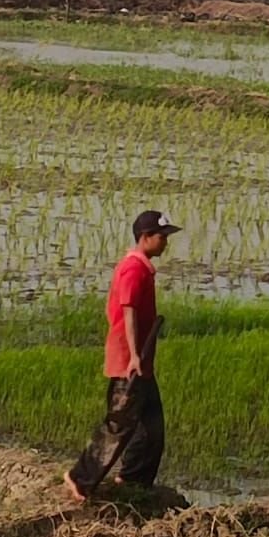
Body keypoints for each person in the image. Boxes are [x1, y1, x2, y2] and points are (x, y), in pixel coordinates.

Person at [63, 210, 180, 501]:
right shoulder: (133, 269)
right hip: (131, 360)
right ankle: (80, 477)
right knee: (120, 422)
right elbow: (126, 311)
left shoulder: (143, 268)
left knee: (152, 428)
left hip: (141, 360)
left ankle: (133, 480)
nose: (165, 243)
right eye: (161, 237)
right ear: (145, 238)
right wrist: (133, 357)